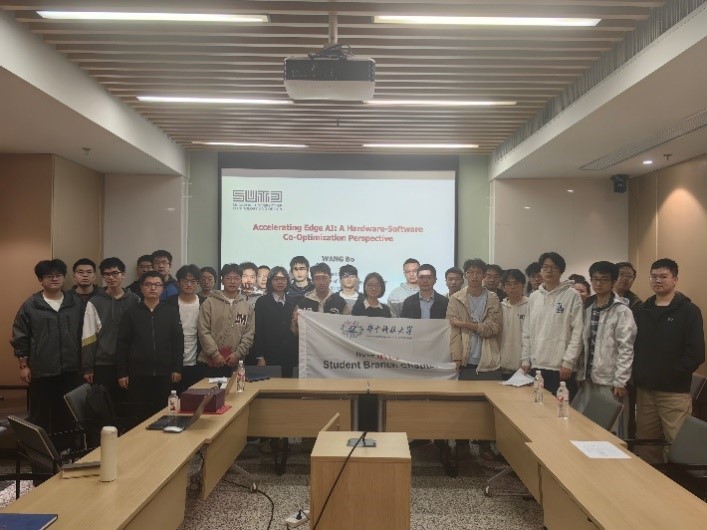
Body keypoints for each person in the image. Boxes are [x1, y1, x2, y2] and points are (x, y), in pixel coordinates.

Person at [633, 258, 705, 463]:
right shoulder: (642, 310)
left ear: (675, 279)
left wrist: (672, 373)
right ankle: (650, 479)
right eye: (654, 276)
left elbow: (696, 353)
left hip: (674, 392)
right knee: (646, 443)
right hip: (645, 391)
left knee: (678, 444)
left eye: (663, 276)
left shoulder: (689, 311)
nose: (658, 280)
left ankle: (677, 483)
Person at [11, 259, 82, 448]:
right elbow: (20, 336)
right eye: (49, 276)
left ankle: (65, 452)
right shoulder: (31, 305)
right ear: (41, 280)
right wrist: (23, 365)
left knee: (66, 414)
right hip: (41, 371)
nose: (54, 279)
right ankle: (40, 454)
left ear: (64, 278)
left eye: (58, 275)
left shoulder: (75, 303)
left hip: (71, 370)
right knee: (40, 415)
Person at [573, 262, 636, 437]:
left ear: (613, 282)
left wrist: (620, 380)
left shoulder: (622, 311)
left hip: (610, 381)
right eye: (595, 279)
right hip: (588, 378)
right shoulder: (588, 308)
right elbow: (583, 345)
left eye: (604, 280)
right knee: (585, 425)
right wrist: (580, 373)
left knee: (610, 428)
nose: (598, 283)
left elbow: (626, 348)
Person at [116, 271, 183, 425]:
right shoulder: (131, 312)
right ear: (141, 287)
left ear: (162, 288)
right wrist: (122, 372)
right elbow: (123, 343)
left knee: (164, 414)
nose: (153, 288)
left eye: (157, 285)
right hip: (138, 373)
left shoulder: (171, 312)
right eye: (148, 284)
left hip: (165, 373)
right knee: (139, 416)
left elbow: (178, 342)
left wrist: (177, 368)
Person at [521, 252, 583, 398]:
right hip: (537, 366)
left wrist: (568, 362)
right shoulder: (534, 297)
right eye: (545, 267)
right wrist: (525, 359)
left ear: (561, 271)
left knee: (561, 409)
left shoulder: (572, 296)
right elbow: (527, 331)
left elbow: (578, 331)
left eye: (553, 267)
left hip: (561, 368)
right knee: (538, 406)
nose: (549, 271)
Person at [82, 257, 139, 415]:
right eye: (106, 274)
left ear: (123, 275)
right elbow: (88, 337)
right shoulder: (94, 302)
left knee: (128, 407)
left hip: (130, 363)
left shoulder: (135, 300)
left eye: (115, 273)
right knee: (106, 408)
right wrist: (88, 367)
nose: (111, 277)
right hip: (104, 364)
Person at [198, 264, 255, 378]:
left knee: (235, 389)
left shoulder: (247, 307)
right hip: (210, 361)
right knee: (211, 389)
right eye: (228, 278)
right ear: (222, 280)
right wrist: (215, 354)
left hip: (235, 362)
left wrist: (238, 354)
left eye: (236, 278)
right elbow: (203, 331)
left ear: (241, 281)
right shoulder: (209, 303)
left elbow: (249, 334)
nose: (232, 281)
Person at [447, 259, 502, 378]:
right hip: (465, 357)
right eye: (470, 272)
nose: (474, 276)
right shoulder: (456, 299)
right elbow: (454, 331)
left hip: (488, 356)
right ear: (465, 275)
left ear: (484, 275)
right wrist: (456, 357)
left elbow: (493, 328)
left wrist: (464, 324)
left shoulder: (493, 298)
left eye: (478, 272)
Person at [251, 267, 298, 377]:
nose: (280, 282)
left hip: (290, 355)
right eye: (276, 279)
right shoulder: (262, 302)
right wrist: (260, 356)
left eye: (283, 279)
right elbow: (258, 330)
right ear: (270, 281)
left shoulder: (293, 302)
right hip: (269, 355)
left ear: (287, 281)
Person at [166, 264, 205, 392]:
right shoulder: (169, 303)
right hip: (173, 361)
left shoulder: (205, 303)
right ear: (178, 282)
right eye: (185, 281)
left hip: (197, 359)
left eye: (193, 281)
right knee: (174, 397)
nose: (188, 284)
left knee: (195, 396)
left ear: (197, 283)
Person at [292, 263, 350, 331]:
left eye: (324, 278)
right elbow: (294, 330)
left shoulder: (340, 303)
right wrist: (297, 324)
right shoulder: (303, 303)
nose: (321, 282)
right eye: (317, 278)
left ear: (330, 279)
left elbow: (347, 329)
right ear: (312, 281)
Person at [499, 269, 528, 379]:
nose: (512, 287)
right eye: (508, 284)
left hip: (525, 365)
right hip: (503, 365)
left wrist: (527, 360)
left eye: (516, 283)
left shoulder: (531, 305)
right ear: (503, 287)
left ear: (523, 285)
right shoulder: (499, 307)